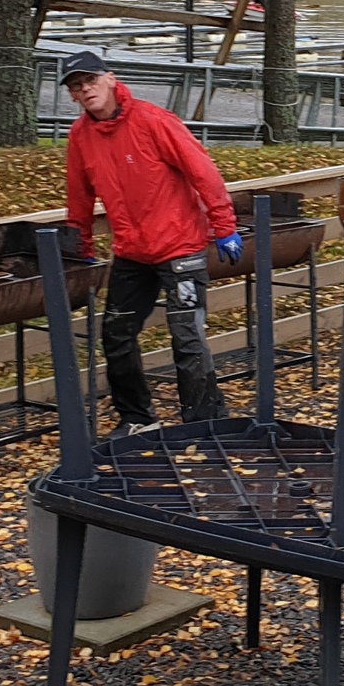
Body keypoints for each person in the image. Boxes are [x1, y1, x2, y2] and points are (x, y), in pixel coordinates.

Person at [59, 49, 245, 431]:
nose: (86, 89)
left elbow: (203, 171)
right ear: (73, 96)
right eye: (76, 86)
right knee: (116, 332)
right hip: (132, 252)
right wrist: (80, 246)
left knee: (186, 334)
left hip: (179, 246)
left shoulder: (153, 121)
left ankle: (204, 423)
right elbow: (79, 196)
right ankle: (136, 419)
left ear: (110, 79)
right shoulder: (81, 136)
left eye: (91, 80)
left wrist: (223, 225)